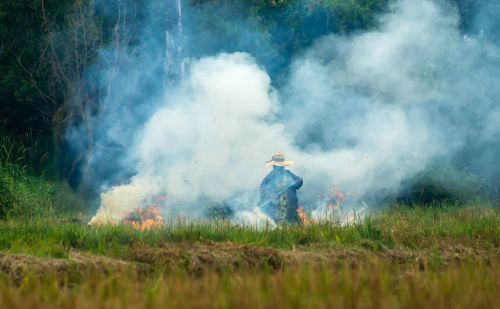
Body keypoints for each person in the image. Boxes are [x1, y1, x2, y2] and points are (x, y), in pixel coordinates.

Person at [259, 152, 303, 224]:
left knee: (293, 226)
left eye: (280, 166)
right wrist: (271, 195)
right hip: (276, 211)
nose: (279, 168)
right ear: (274, 166)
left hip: (291, 209)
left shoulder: (288, 174)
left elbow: (298, 183)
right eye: (277, 166)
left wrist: (299, 181)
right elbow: (263, 189)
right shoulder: (269, 177)